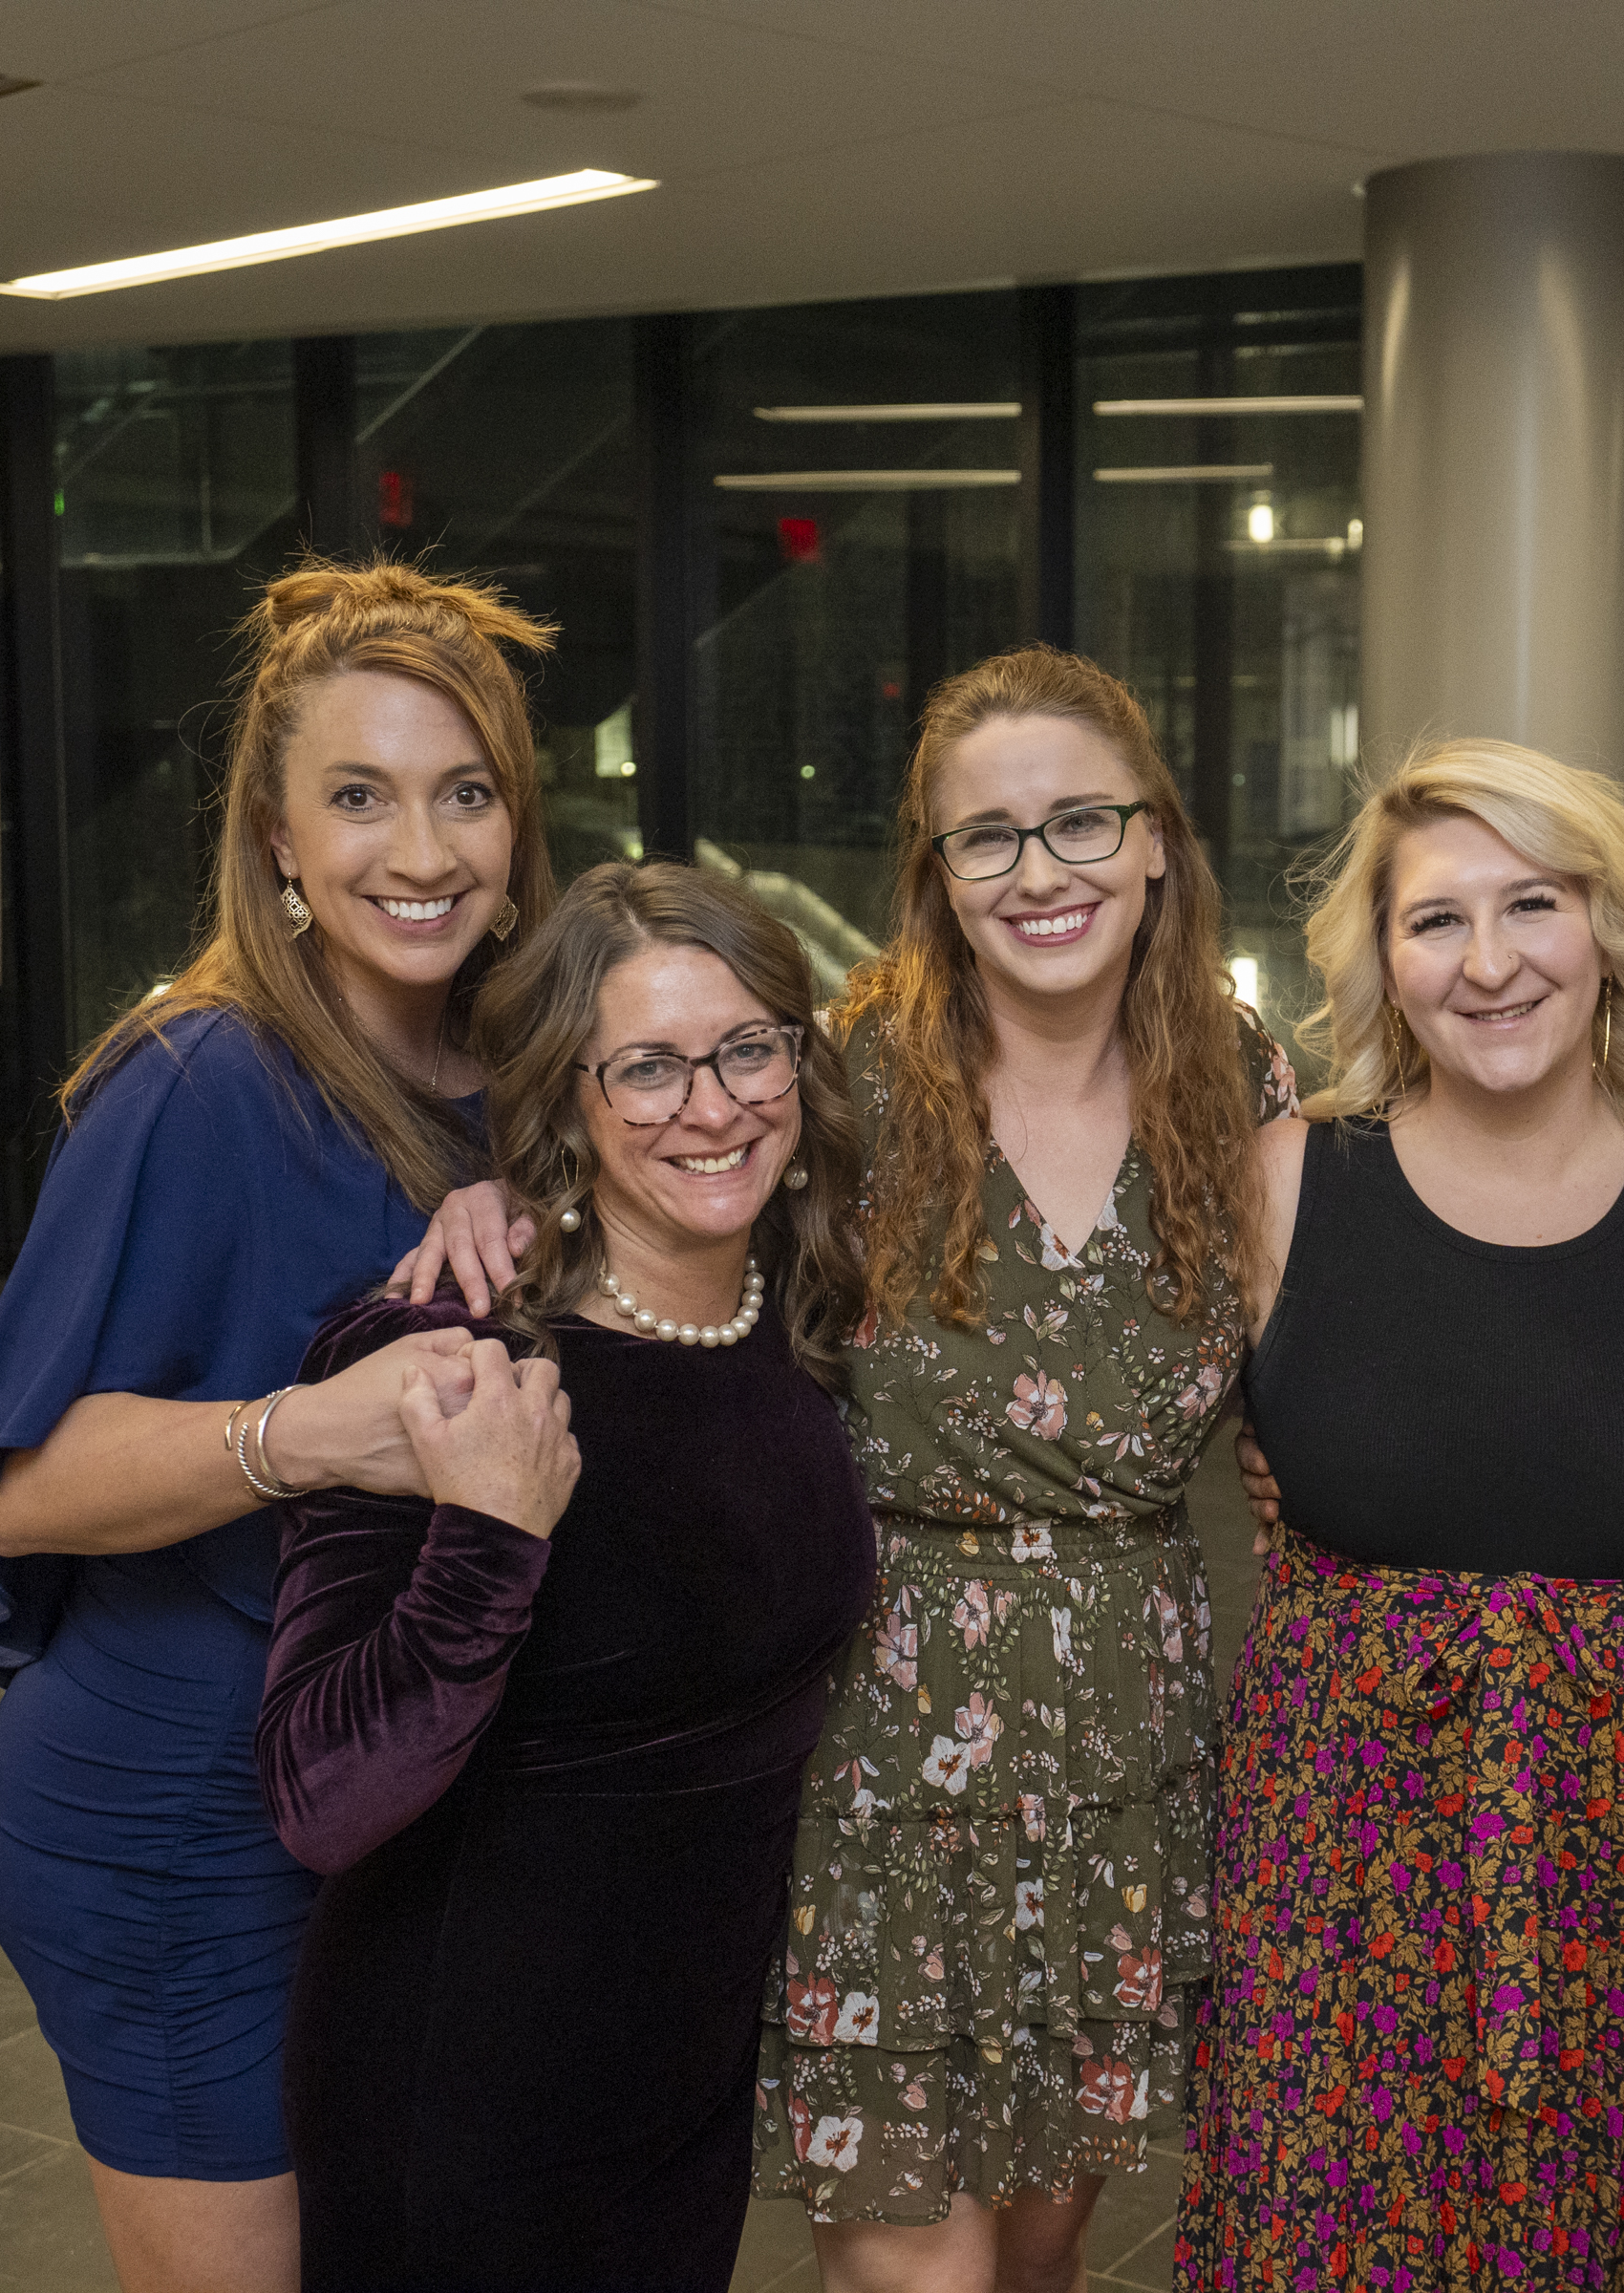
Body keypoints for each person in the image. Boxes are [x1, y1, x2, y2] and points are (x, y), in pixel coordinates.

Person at [396, 644, 1300, 2293]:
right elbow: (662, 1141)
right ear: (937, 874)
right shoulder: (842, 1079)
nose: (1039, 873)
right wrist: (506, 1190)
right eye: (987, 837)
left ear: (1158, 840)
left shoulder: (1240, 1085)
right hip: (877, 1753)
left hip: (1129, 1745)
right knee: (917, 2275)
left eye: (1082, 822)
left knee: (1040, 2258)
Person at [0, 561, 553, 2293]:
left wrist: (549, 1210)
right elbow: (21, 1493)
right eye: (359, 797)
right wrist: (306, 1436)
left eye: (464, 794)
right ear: (276, 840)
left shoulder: (516, 1079)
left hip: (374, 1798)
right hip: (173, 1823)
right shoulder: (199, 1081)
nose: (420, 851)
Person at [1177, 739, 1624, 2290]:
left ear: (1609, 928)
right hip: (1336, 1863)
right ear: (1382, 962)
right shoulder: (1284, 1186)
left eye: (1534, 903)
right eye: (1436, 919)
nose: (1491, 961)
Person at [260, 863, 879, 2290]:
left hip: (681, 2085)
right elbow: (318, 1794)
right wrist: (489, 1536)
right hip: (469, 2089)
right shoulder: (452, 1352)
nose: (715, 1107)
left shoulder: (796, 1306)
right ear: (566, 1100)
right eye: (648, 1068)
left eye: (748, 1049)